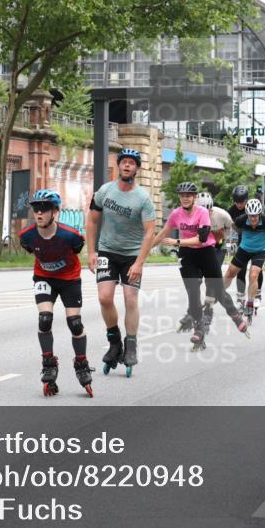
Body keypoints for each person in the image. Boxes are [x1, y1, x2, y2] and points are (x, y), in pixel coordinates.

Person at [86, 148, 156, 377]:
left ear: (137, 168)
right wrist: (91, 252)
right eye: (123, 162)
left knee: (130, 298)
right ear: (119, 166)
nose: (127, 166)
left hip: (132, 255)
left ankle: (132, 344)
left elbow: (149, 233)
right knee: (104, 298)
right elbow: (92, 221)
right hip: (107, 250)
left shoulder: (143, 198)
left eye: (131, 163)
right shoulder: (105, 191)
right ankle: (115, 341)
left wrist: (139, 263)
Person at [154, 183, 248, 350]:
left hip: (208, 250)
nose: (185, 198)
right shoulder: (176, 214)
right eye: (182, 195)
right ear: (179, 197)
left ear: (195, 198)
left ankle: (235, 315)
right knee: (193, 292)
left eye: (189, 195)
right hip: (187, 254)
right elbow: (162, 234)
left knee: (218, 290)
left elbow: (204, 238)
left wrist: (177, 241)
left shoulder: (210, 213)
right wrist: (143, 251)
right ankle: (199, 329)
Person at [20, 189, 93, 397]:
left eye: (44, 209)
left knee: (75, 323)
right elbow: (29, 249)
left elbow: (78, 249)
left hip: (69, 280)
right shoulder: (27, 235)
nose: (39, 213)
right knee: (44, 319)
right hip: (44, 277)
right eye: (36, 209)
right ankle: (49, 363)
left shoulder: (71, 236)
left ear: (55, 212)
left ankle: (82, 363)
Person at [223, 198, 265, 323]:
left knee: (253, 274)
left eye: (255, 216)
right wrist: (241, 233)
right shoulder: (241, 219)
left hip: (261, 249)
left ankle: (250, 303)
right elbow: (234, 225)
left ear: (260, 214)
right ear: (247, 214)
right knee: (230, 272)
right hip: (245, 248)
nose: (253, 219)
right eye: (250, 216)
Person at [227, 185, 264, 308]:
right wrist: (237, 232)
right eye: (236, 202)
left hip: (258, 242)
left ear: (247, 200)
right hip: (243, 242)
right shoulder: (231, 211)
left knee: (256, 270)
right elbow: (229, 223)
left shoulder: (253, 206)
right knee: (240, 269)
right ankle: (240, 296)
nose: (239, 205)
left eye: (242, 202)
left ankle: (257, 294)